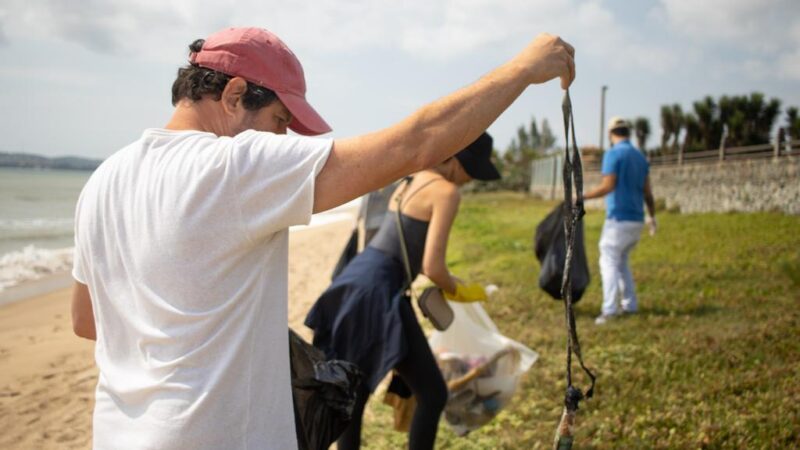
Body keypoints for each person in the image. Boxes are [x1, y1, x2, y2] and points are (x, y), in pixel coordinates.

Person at [69, 26, 574, 449]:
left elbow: (88, 322)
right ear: (234, 94)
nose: (282, 140)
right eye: (279, 121)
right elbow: (415, 143)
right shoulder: (235, 166)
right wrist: (522, 69)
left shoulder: (103, 181)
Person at [305, 132, 500, 450]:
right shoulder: (446, 192)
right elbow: (433, 267)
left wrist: (452, 283)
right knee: (429, 393)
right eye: (471, 170)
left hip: (359, 281)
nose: (469, 180)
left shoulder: (413, 179)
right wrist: (459, 291)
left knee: (354, 391)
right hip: (377, 292)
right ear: (458, 160)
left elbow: (411, 253)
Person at [584, 117, 656, 325]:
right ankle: (630, 305)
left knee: (608, 260)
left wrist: (581, 197)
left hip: (619, 219)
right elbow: (648, 192)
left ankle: (609, 310)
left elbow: (608, 186)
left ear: (610, 134)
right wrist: (652, 216)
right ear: (628, 132)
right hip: (637, 220)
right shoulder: (640, 157)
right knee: (621, 261)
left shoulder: (613, 154)